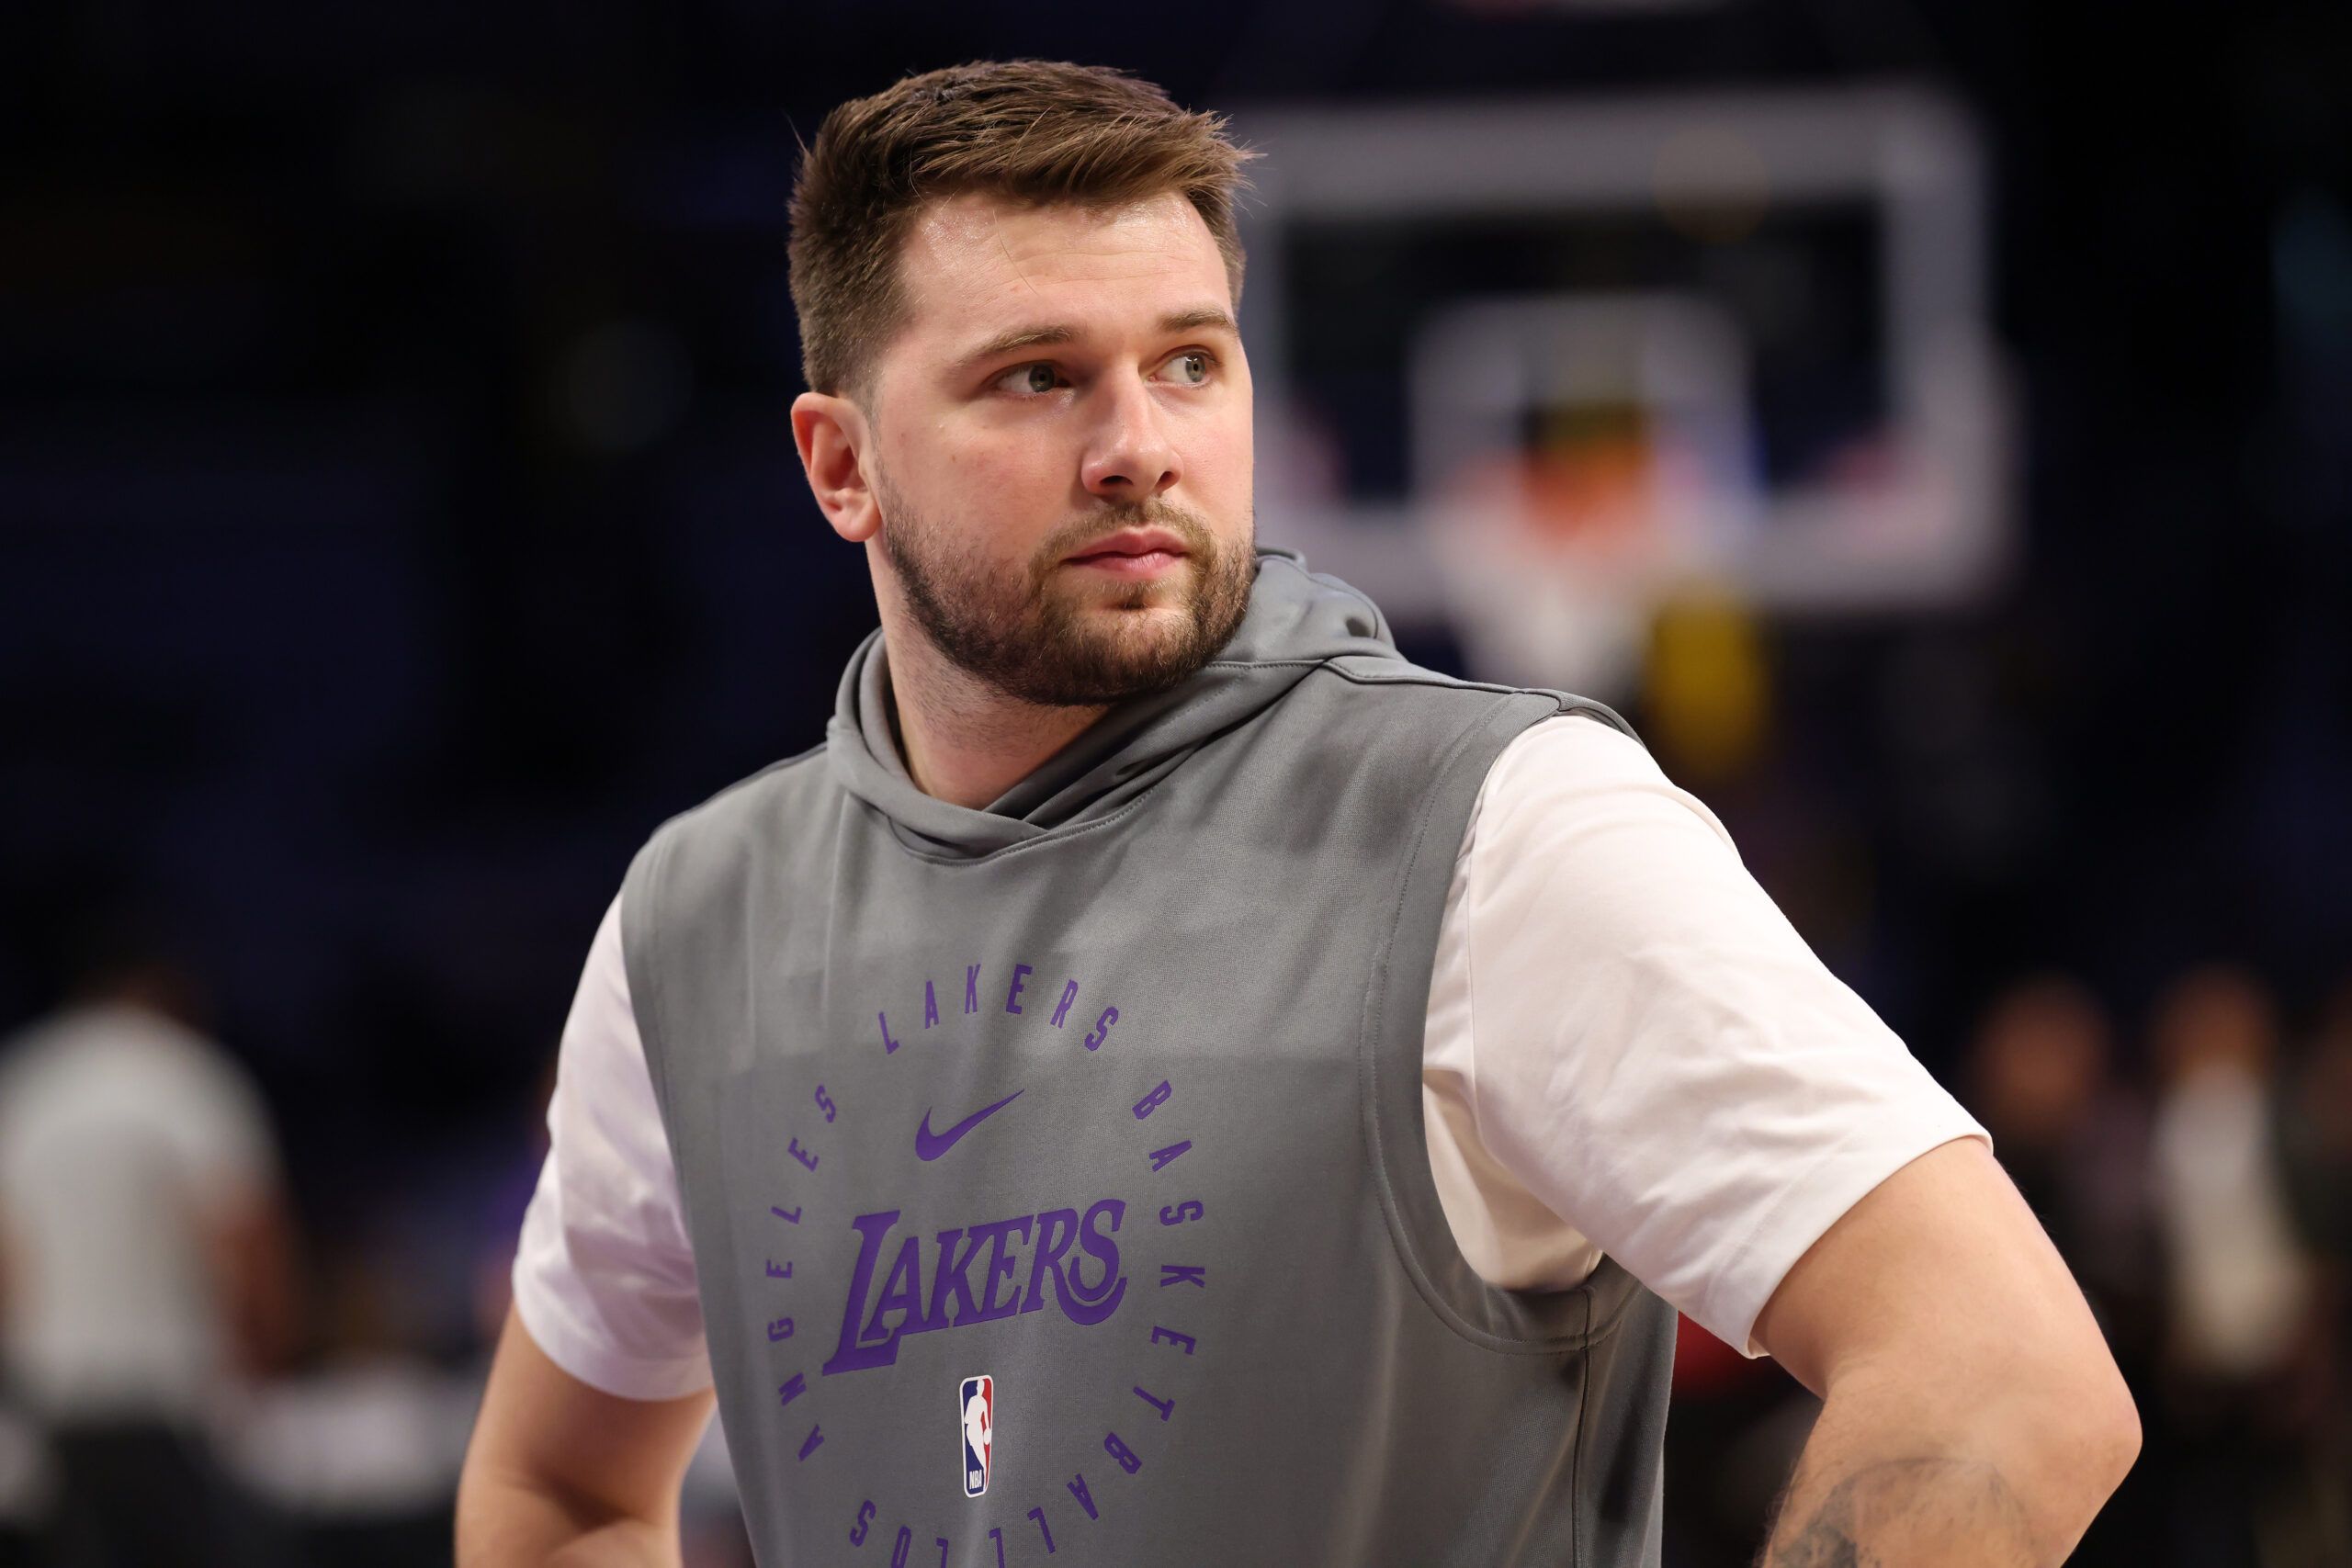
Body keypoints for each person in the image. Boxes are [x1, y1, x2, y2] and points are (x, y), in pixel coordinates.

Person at [457, 61, 2138, 1566]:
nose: (1137, 445)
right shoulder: (695, 922)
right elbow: (560, 1492)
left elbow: (2003, 1382)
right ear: (843, 467)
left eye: (1189, 361)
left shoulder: (1506, 828)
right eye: (1036, 378)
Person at [0, 931, 297, 1567]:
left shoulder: (25, 1084)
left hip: (55, 1400)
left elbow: (8, 1254)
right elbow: (243, 1232)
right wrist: (265, 1359)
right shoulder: (184, 1073)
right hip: (175, 1395)